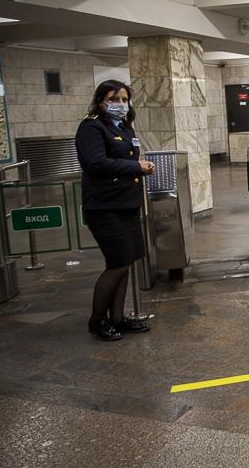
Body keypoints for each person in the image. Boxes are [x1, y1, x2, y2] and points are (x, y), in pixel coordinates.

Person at [75, 80, 154, 341]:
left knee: (125, 262)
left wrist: (139, 167)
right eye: (113, 99)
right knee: (117, 264)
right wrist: (136, 167)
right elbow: (96, 163)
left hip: (127, 204)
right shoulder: (91, 127)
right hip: (105, 206)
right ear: (100, 101)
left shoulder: (123, 125)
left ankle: (118, 319)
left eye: (123, 99)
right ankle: (97, 320)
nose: (119, 104)